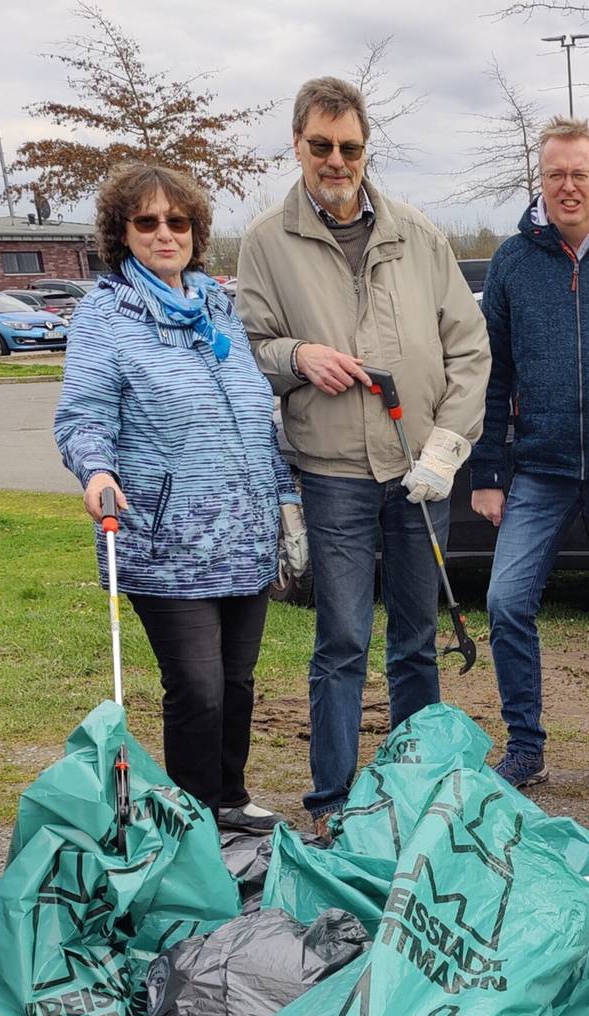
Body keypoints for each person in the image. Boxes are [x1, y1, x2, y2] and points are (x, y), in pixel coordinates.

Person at [235, 75, 489, 830]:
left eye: (349, 147)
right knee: (342, 639)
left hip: (419, 471)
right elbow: (246, 349)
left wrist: (448, 445)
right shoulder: (265, 242)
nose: (336, 161)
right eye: (321, 145)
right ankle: (333, 803)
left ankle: (416, 791)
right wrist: (296, 356)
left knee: (416, 640)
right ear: (297, 145)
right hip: (333, 474)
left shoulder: (418, 233)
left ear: (365, 148)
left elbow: (468, 349)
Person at [54, 160, 295, 835]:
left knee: (237, 681)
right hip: (166, 542)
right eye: (148, 221)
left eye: (178, 221)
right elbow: (83, 417)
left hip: (244, 532)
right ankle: (196, 819)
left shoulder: (217, 307)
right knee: (198, 686)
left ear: (196, 230)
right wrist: (96, 472)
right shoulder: (105, 315)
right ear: (122, 232)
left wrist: (284, 498)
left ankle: (230, 797)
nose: (165, 233)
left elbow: (256, 415)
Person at [469, 116, 589, 792]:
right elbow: (493, 373)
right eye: (556, 174)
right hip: (539, 468)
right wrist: (488, 471)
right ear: (540, 181)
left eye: (579, 174)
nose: (568, 186)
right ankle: (526, 745)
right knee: (505, 600)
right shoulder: (513, 262)